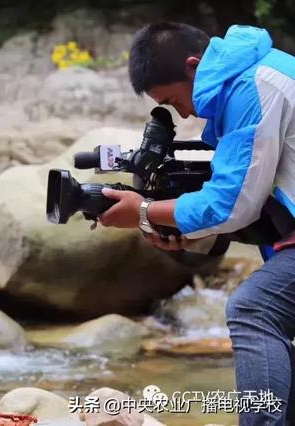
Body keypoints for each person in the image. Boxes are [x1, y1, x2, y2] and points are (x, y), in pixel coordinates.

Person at [98, 23, 295, 425]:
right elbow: (257, 203)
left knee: (254, 309)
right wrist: (186, 233)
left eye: (173, 101)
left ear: (193, 66)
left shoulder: (256, 87)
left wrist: (143, 212)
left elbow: (231, 205)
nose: (184, 113)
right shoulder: (258, 73)